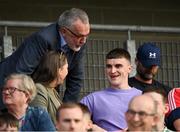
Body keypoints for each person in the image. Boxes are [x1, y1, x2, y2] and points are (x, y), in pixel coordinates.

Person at [0, 8, 90, 109]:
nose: (83, 41)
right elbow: (22, 74)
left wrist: (65, 113)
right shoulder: (42, 39)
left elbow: (76, 79)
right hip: (8, 87)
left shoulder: (80, 42)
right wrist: (23, 109)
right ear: (64, 31)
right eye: (79, 36)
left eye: (87, 35)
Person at [80, 48, 142, 131]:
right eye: (109, 66)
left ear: (129, 69)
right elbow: (73, 121)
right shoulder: (93, 99)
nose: (113, 71)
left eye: (118, 66)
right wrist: (93, 128)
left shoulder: (142, 97)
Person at [30, 51, 68, 124]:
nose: (67, 72)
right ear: (59, 70)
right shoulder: (39, 89)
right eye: (66, 68)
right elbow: (40, 121)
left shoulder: (53, 90)